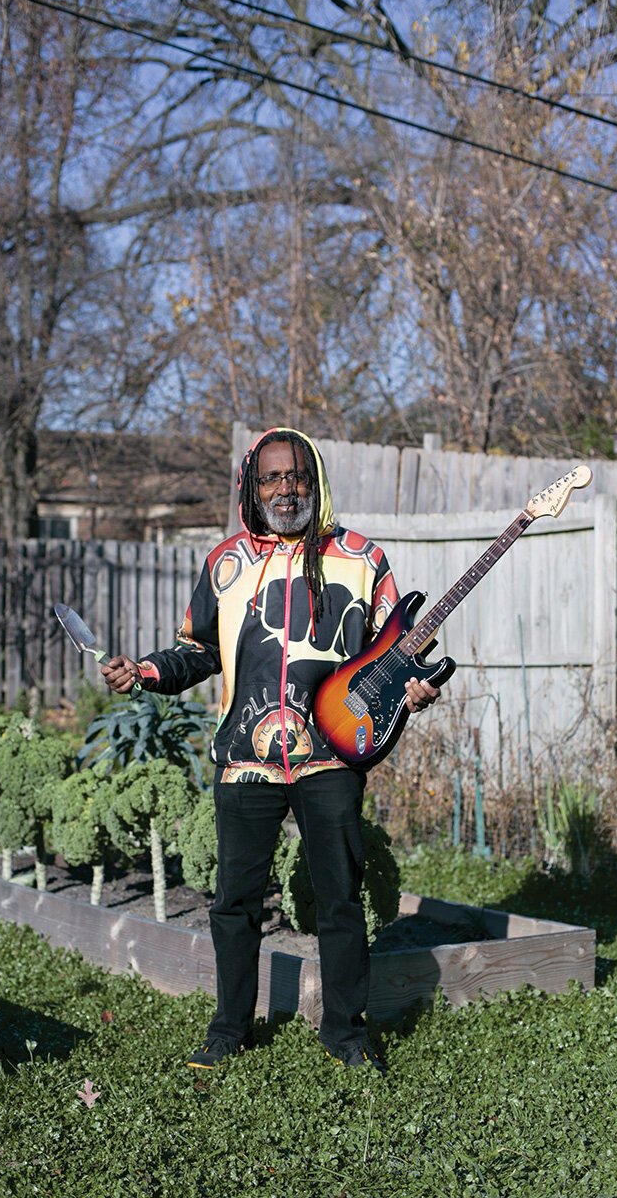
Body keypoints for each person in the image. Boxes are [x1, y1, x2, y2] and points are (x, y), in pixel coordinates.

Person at [102, 428, 440, 1074]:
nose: (286, 489)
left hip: (332, 758)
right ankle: (229, 1028)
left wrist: (412, 688)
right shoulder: (225, 564)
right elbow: (200, 650)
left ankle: (345, 1033)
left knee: (340, 898)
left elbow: (397, 655)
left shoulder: (361, 558)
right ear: (252, 489)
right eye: (272, 478)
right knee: (234, 902)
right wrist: (144, 671)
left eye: (298, 476)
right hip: (245, 758)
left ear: (316, 482)